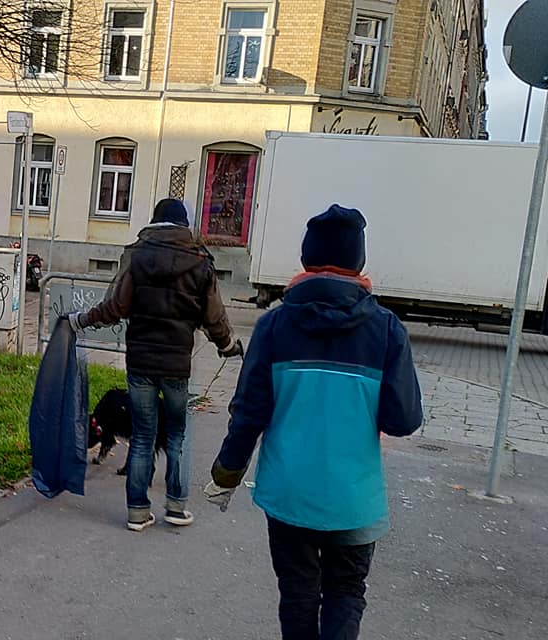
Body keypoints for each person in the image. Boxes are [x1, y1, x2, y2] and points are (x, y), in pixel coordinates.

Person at [203, 205, 423, 640]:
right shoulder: (385, 330)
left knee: (299, 594)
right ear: (358, 261)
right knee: (345, 591)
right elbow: (403, 421)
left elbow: (249, 412)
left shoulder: (274, 327)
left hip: (289, 495)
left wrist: (225, 475)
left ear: (306, 259)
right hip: (353, 498)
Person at [66, 198, 242, 531]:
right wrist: (228, 345)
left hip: (141, 364)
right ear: (183, 224)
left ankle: (137, 511)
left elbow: (116, 307)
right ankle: (176, 508)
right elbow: (214, 316)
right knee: (175, 436)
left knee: (144, 437)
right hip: (177, 367)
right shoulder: (201, 261)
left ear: (155, 223)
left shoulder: (138, 256)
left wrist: (80, 320)